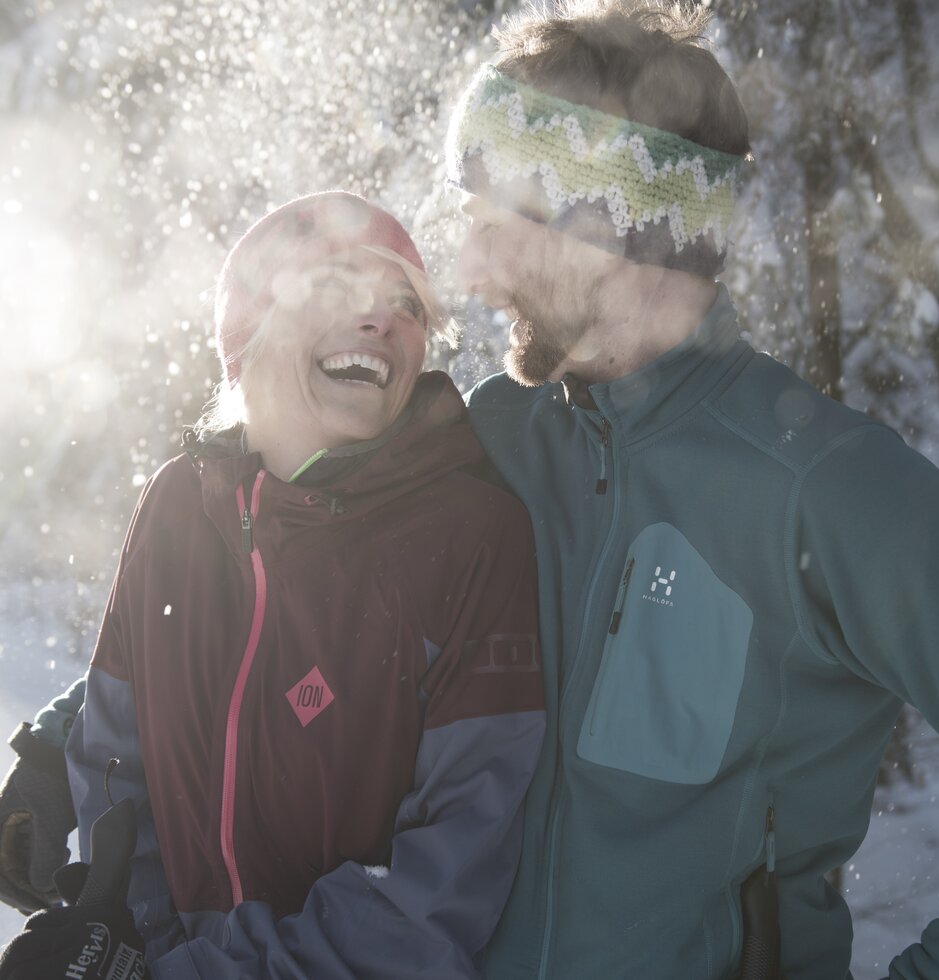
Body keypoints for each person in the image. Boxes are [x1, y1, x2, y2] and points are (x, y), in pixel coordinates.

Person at [1, 3, 939, 978]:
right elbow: (265, 539)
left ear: (604, 229)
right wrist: (62, 753)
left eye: (494, 220)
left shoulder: (829, 488)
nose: (471, 268)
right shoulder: (487, 436)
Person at [0, 190, 544, 980]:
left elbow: (438, 890)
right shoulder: (177, 506)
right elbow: (119, 760)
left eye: (407, 306)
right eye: (340, 289)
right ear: (246, 329)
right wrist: (120, 937)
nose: (382, 320)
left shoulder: (468, 539)